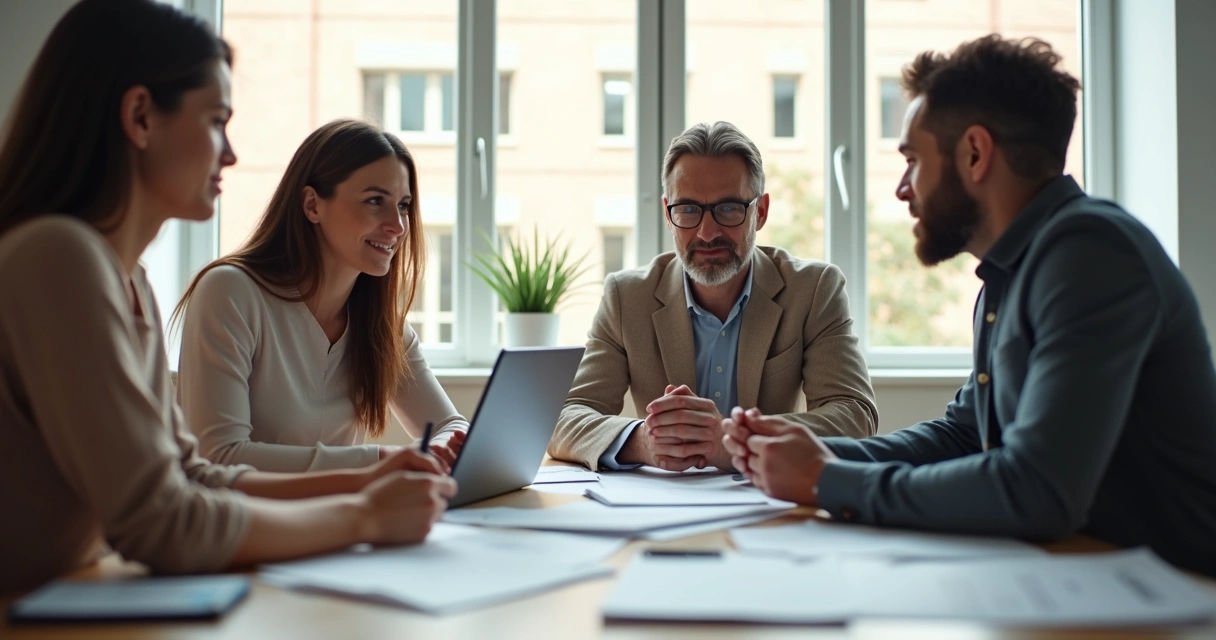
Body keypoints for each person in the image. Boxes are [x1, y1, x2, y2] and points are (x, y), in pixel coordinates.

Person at [0, 0, 455, 594]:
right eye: (216, 120)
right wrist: (364, 514)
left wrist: (372, 483)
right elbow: (164, 523)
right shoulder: (58, 257)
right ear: (140, 116)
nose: (231, 153)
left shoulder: (127, 277)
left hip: (69, 594)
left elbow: (193, 477)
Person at [723, 35, 1216, 576]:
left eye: (912, 160)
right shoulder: (1014, 270)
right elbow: (963, 436)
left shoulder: (1089, 254)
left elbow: (1038, 490)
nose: (902, 189)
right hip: (1087, 574)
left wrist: (824, 480)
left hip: (1178, 596)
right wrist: (813, 451)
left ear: (975, 153)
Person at [548, 121, 878, 472]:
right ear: (667, 213)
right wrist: (642, 441)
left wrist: (733, 441)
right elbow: (561, 417)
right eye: (688, 209)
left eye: (729, 209)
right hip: (661, 508)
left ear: (760, 212)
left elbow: (854, 415)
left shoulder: (813, 290)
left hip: (769, 505)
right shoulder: (627, 297)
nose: (707, 233)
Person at [174, 119, 468, 473]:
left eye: (403, 205)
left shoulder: (381, 326)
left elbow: (451, 427)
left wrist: (443, 450)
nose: (398, 225)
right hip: (248, 524)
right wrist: (381, 461)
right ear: (312, 205)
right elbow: (218, 457)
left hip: (343, 522)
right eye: (375, 201)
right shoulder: (230, 293)